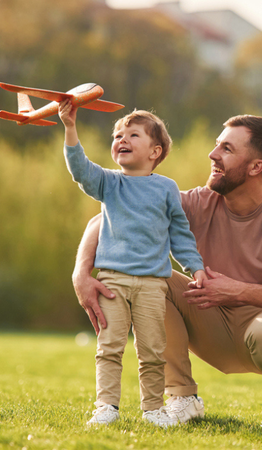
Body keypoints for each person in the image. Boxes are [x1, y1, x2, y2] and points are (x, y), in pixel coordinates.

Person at [73, 114, 262, 426]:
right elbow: (105, 219)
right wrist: (81, 273)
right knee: (153, 281)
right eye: (216, 145)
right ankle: (182, 397)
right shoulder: (197, 202)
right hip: (211, 320)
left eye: (227, 149)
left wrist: (238, 290)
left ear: (256, 167)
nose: (213, 154)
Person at [59, 99, 207, 428]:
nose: (121, 140)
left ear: (155, 152)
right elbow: (80, 170)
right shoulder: (110, 183)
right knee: (109, 346)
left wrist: (195, 267)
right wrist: (70, 128)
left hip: (153, 285)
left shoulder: (167, 189)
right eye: (117, 136)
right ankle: (106, 407)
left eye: (133, 135)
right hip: (112, 282)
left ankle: (153, 409)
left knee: (153, 351)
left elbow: (180, 235)